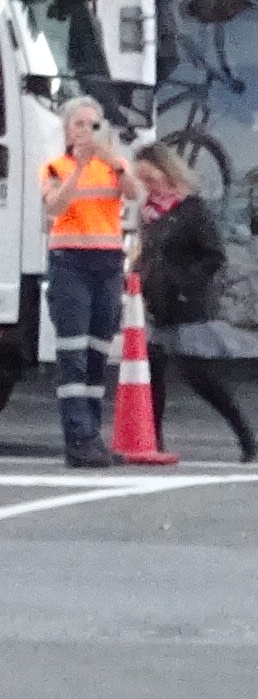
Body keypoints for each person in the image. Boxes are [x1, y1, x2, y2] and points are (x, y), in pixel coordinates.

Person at [135, 146, 254, 461]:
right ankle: (154, 441)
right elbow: (148, 253)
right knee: (153, 375)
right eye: (144, 179)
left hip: (185, 302)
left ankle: (243, 434)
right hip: (156, 302)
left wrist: (187, 284)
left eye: (151, 177)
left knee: (198, 375)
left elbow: (213, 254)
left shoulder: (191, 209)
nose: (149, 185)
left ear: (166, 171)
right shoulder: (150, 212)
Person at [38, 96, 133, 466]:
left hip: (107, 264)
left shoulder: (114, 167)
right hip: (70, 263)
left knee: (97, 352)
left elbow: (135, 195)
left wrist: (114, 164)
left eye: (92, 125)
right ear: (66, 129)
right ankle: (78, 437)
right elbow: (54, 208)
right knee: (73, 352)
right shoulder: (54, 167)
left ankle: (90, 435)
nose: (85, 131)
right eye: (78, 124)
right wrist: (78, 169)